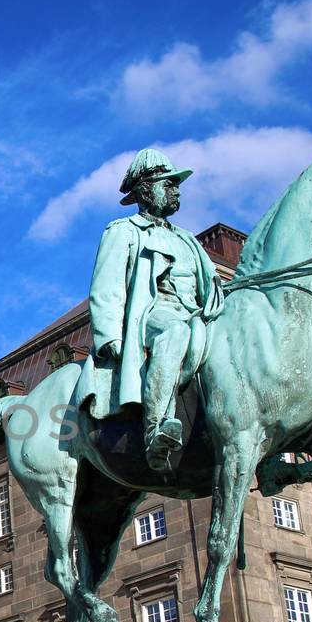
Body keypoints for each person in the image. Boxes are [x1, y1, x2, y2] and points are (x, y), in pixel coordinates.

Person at [71, 149, 224, 471]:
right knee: (174, 332)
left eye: (176, 185)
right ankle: (156, 428)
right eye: (168, 184)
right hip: (154, 314)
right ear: (144, 189)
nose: (176, 190)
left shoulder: (187, 240)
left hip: (198, 314)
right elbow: (106, 286)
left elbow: (211, 284)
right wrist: (109, 335)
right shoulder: (124, 231)